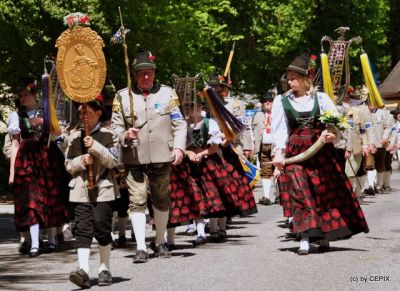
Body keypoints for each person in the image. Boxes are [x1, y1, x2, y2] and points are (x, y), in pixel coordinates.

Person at [272, 54, 369, 255]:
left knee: (323, 193)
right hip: (296, 153)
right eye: (287, 78)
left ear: (305, 78)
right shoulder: (281, 101)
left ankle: (325, 236)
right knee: (300, 193)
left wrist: (331, 134)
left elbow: (337, 126)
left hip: (321, 151)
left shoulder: (322, 98)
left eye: (293, 78)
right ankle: (304, 238)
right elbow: (280, 130)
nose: (289, 82)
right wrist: (279, 154)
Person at [112, 50, 187, 263]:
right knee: (137, 200)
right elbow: (115, 128)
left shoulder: (168, 94)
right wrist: (125, 134)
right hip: (134, 157)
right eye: (141, 74)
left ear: (154, 73)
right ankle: (141, 247)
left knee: (162, 199)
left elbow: (179, 124)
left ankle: (160, 241)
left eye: (149, 73)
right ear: (134, 75)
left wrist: (179, 148)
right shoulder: (122, 96)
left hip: (163, 156)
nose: (146, 77)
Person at [7, 78, 69, 257]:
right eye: (20, 95)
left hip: (47, 156)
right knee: (31, 200)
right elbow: (15, 144)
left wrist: (43, 121)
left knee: (50, 197)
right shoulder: (16, 116)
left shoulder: (47, 111)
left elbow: (60, 133)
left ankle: (51, 239)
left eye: (26, 94)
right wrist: (12, 171)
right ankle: (34, 243)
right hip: (26, 160)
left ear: (35, 95)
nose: (23, 98)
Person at [65, 95, 119, 288]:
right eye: (80, 111)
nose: (83, 115)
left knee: (102, 229)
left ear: (98, 112)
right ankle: (83, 270)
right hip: (79, 190)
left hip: (103, 189)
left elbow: (114, 161)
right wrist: (80, 162)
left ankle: (104, 268)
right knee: (83, 230)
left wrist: (95, 147)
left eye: (87, 111)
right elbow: (68, 164)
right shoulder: (73, 136)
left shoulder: (109, 135)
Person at [251, 91, 276, 205]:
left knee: (278, 170)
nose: (267, 103)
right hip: (262, 146)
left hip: (275, 147)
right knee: (265, 172)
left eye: (270, 101)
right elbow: (252, 132)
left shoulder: (278, 114)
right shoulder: (258, 115)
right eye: (265, 101)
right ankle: (266, 196)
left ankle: (279, 195)